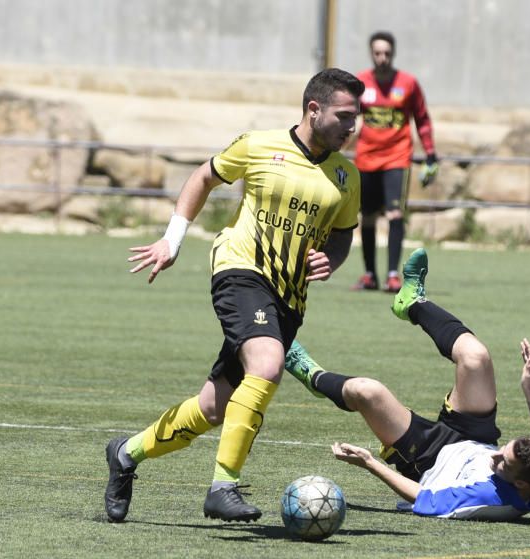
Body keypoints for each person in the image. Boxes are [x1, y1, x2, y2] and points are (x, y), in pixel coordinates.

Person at [103, 68, 365, 524]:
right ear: (314, 108)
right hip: (240, 270)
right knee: (267, 365)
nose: (352, 126)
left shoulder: (346, 175)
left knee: (213, 407)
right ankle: (223, 486)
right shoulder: (259, 145)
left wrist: (331, 261)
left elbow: (342, 235)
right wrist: (172, 240)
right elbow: (201, 178)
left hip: (289, 298)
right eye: (344, 116)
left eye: (356, 118)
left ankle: (125, 454)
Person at [285, 248, 530, 520]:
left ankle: (314, 377)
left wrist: (370, 463)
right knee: (475, 357)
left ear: (520, 485)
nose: (495, 458)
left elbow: (423, 498)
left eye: (503, 464)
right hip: (474, 436)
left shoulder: (488, 499)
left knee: (367, 391)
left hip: (429, 460)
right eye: (504, 450)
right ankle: (411, 303)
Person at [352, 31, 439, 293]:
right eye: (378, 53)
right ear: (371, 54)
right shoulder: (360, 83)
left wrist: (430, 153)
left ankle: (392, 275)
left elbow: (422, 119)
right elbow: (346, 116)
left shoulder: (408, 83)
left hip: (397, 158)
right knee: (366, 217)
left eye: (387, 53)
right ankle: (369, 274)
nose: (383, 58)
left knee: (395, 214)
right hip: (366, 158)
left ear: (394, 54)